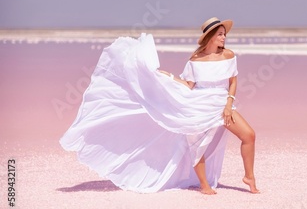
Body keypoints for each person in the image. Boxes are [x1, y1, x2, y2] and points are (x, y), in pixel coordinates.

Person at [60, 17, 259, 195]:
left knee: (248, 135)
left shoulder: (228, 55)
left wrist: (228, 103)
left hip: (222, 104)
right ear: (210, 37)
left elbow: (233, 81)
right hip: (197, 105)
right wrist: (166, 75)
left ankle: (249, 176)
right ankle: (204, 185)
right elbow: (189, 85)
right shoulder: (195, 60)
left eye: (224, 34)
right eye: (220, 34)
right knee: (197, 147)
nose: (224, 38)